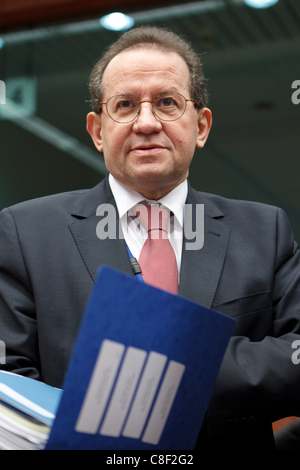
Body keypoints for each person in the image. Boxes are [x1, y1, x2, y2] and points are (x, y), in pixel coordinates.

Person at [0, 25, 300, 450]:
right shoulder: (25, 233)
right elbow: (9, 382)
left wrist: (168, 373)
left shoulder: (264, 230)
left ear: (201, 125)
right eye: (124, 105)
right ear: (98, 131)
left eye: (166, 102)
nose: (146, 122)